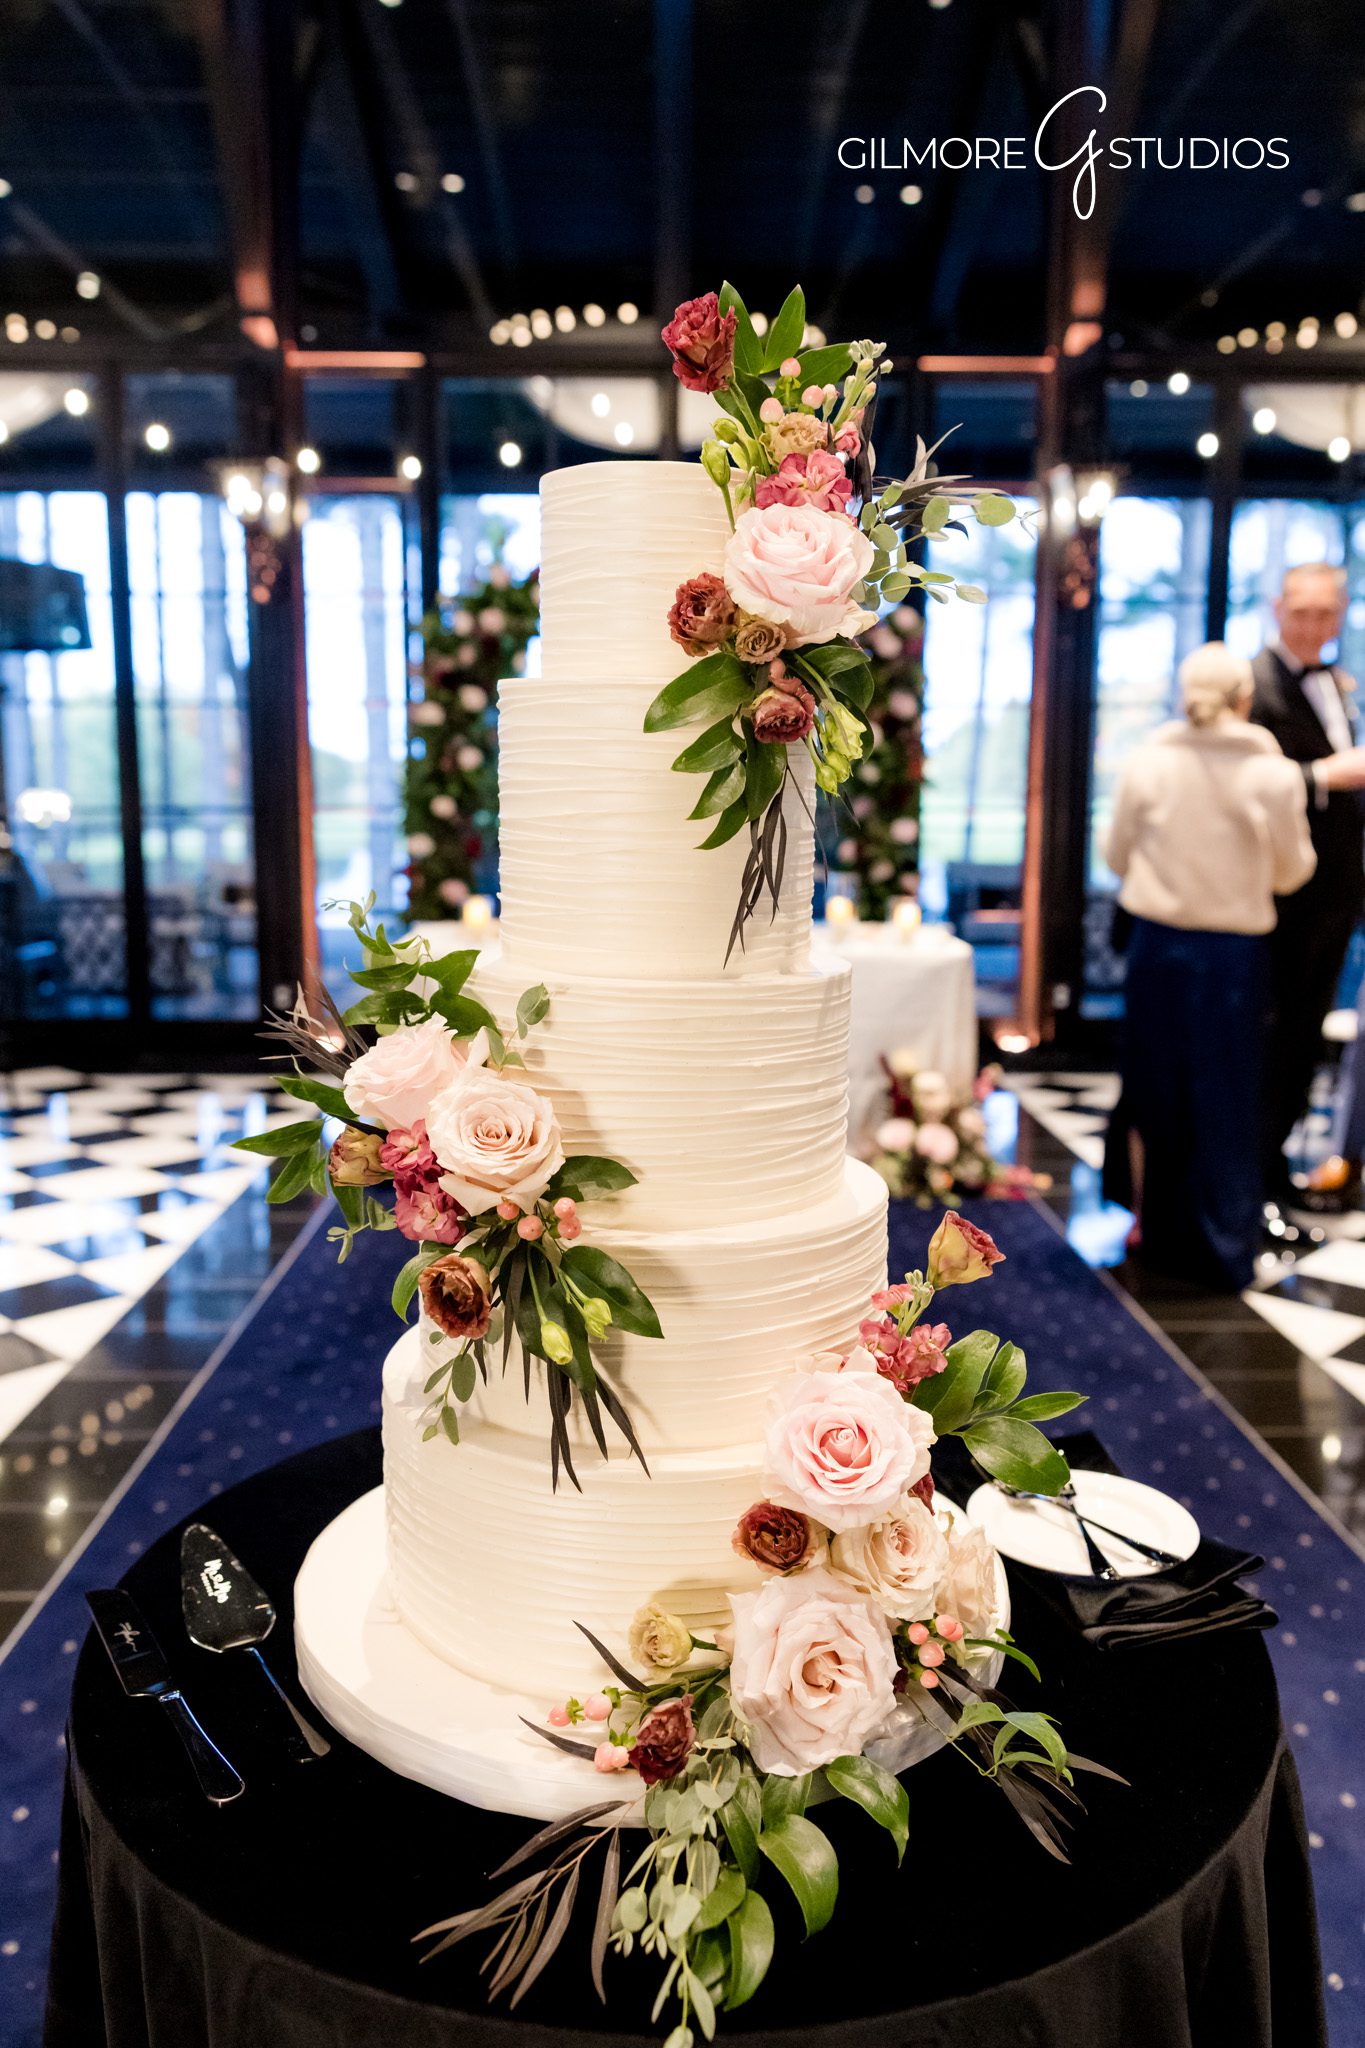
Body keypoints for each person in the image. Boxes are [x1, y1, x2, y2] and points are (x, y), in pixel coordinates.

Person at [1103, 643, 1316, 1290]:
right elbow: (1293, 871)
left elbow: (1115, 857)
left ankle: (1155, 1234)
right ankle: (1224, 1248)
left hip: (1156, 949)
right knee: (1227, 1097)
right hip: (1231, 957)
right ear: (1244, 698)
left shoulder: (1146, 763)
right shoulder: (1271, 774)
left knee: (1155, 1090)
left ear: (1182, 694)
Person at [1248, 563, 1365, 1200]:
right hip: (1287, 895)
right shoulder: (1258, 684)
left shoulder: (1337, 683)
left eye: (1328, 613)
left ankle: (1277, 1166)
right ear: (1277, 608)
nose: (1315, 626)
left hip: (1337, 893)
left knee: (1307, 1034)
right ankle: (1259, 1172)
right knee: (1279, 1035)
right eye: (1303, 613)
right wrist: (1326, 774)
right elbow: (1248, 789)